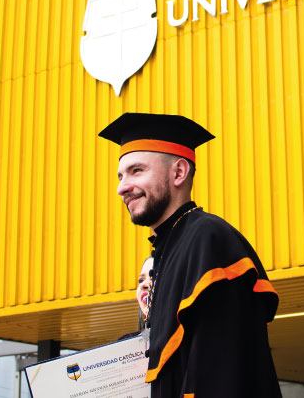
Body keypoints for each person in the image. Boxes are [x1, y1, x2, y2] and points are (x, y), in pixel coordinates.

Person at [99, 113, 282, 398]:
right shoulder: (168, 250)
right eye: (121, 176)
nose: (122, 187)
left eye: (137, 171)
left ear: (179, 172)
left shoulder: (208, 241)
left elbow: (221, 375)